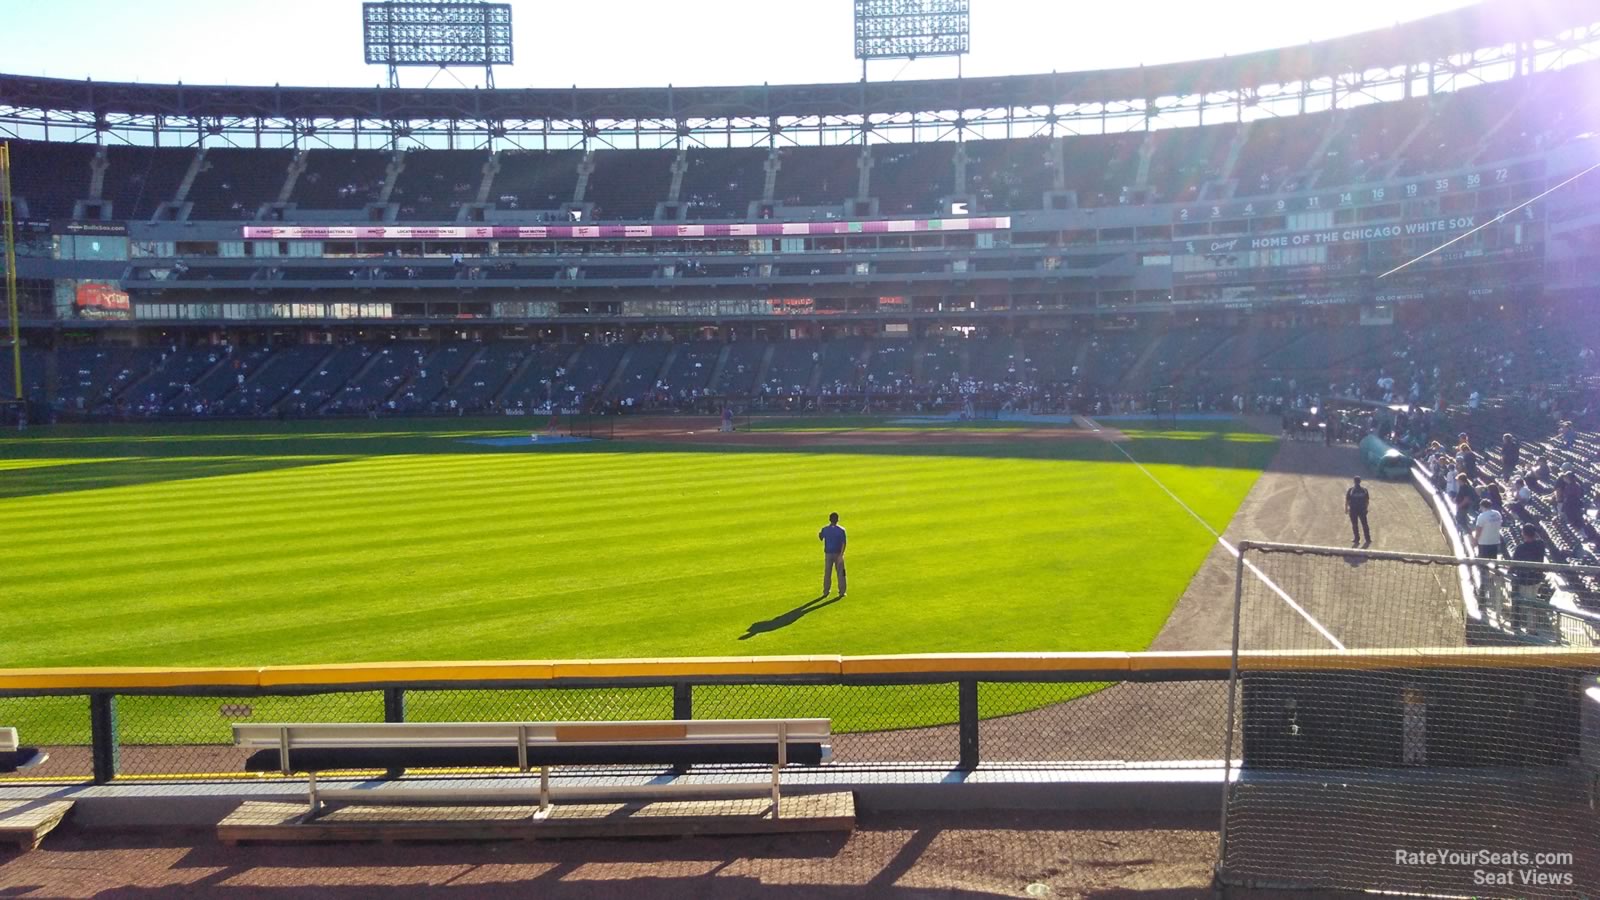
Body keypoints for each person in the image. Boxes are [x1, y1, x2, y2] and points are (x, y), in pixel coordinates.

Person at [1508, 523, 1548, 634]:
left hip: (1524, 580)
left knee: (1524, 603)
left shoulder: (1521, 548)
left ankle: (1524, 627)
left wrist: (1508, 572)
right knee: (1531, 602)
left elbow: (1513, 564)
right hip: (1536, 579)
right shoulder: (1540, 544)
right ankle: (1530, 627)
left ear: (1523, 534)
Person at [818, 513, 847, 596]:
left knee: (827, 573)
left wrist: (820, 534)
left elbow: (821, 537)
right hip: (838, 554)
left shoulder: (825, 529)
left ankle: (826, 591)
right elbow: (844, 543)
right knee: (841, 573)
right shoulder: (841, 530)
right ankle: (842, 591)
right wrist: (841, 555)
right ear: (837, 520)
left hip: (828, 554)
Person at [1345, 476, 1371, 548]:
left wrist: (1346, 509)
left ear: (1354, 481)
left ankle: (1357, 539)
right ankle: (1368, 538)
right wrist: (1366, 508)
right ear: (1360, 481)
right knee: (1365, 524)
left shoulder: (1351, 490)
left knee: (1355, 524)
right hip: (1362, 509)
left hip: (1353, 510)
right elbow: (1367, 501)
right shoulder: (1364, 490)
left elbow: (1347, 500)